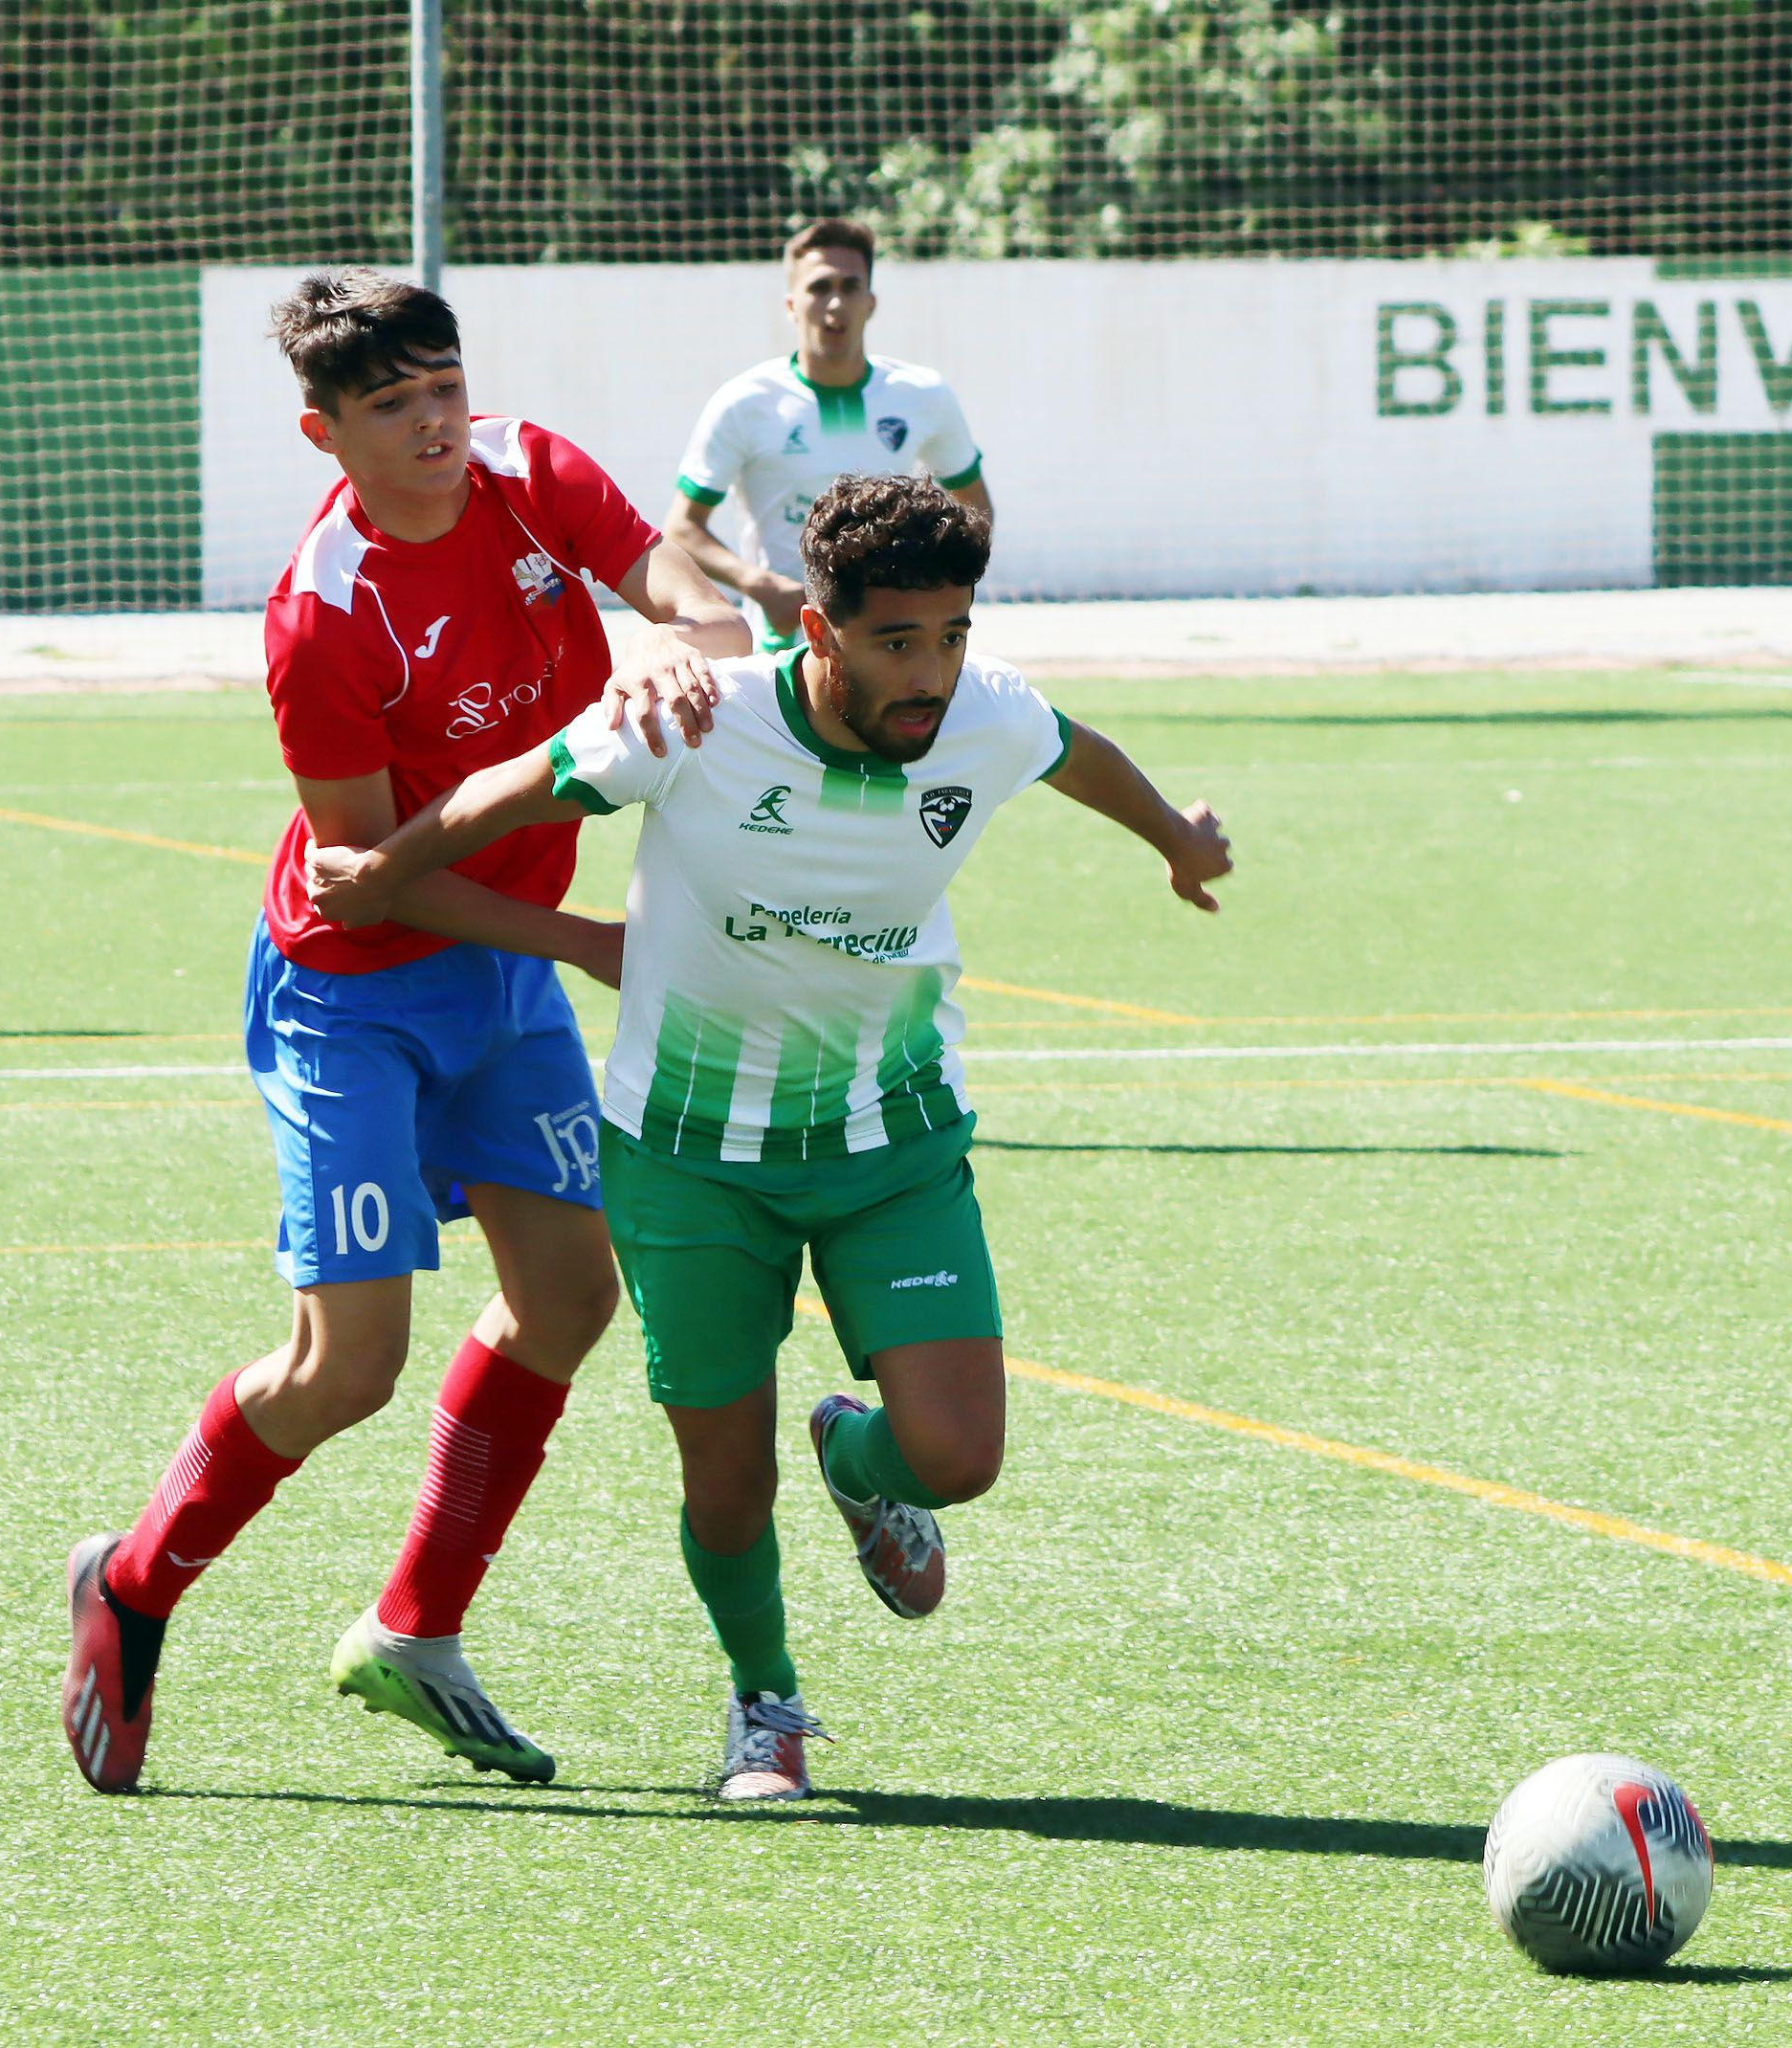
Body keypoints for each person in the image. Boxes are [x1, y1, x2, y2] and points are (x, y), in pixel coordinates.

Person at [307, 474, 1231, 1801]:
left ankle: (858, 1461)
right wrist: (386, 871)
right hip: (687, 1158)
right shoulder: (695, 724)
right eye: (897, 642)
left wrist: (1173, 842)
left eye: (953, 634)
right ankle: (767, 1702)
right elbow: (522, 786)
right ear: (819, 631)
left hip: (890, 1137)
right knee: (724, 1486)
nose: (933, 673)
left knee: (957, 1460)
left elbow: (1073, 750)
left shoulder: (983, 715)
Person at [60, 269, 749, 1795]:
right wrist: (585, 943)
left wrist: (698, 635)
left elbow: (666, 575)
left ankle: (415, 1630)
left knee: (570, 1299)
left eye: (444, 384)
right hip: (357, 986)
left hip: (502, 982)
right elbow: (380, 879)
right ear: (327, 433)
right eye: (394, 405)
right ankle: (136, 1581)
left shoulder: (528, 469)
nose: (438, 421)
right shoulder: (320, 619)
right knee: (348, 1366)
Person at [665, 219, 991, 651]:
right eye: (819, 288)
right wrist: (760, 585)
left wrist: (922, 585)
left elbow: (975, 511)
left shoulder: (923, 395)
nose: (835, 303)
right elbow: (682, 527)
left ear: (871, 302)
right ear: (791, 304)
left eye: (850, 286)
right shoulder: (745, 402)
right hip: (781, 648)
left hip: (889, 644)